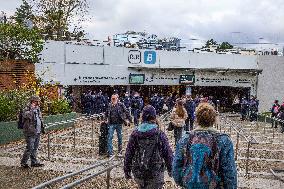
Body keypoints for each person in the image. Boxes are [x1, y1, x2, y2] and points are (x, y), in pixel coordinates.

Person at [172, 103, 237, 188]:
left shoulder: (185, 139)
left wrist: (183, 182)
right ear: (213, 119)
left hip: (190, 184)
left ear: (197, 119)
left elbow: (177, 166)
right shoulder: (224, 140)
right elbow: (229, 170)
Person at [124, 105, 173, 189]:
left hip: (139, 171)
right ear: (154, 117)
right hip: (155, 171)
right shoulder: (159, 133)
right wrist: (171, 169)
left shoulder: (135, 133)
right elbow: (167, 153)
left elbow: (129, 152)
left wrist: (127, 169)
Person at [20, 96, 45, 168]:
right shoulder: (27, 108)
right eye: (37, 101)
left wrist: (42, 127)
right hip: (30, 131)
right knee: (30, 148)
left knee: (35, 148)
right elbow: (26, 116)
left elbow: (40, 118)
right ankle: (23, 163)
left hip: (37, 131)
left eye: (38, 101)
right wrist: (32, 109)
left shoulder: (38, 108)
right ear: (33, 101)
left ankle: (34, 162)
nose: (38, 103)